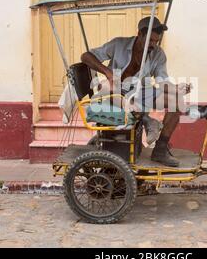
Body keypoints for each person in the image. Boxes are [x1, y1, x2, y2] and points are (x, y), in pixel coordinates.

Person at [81, 17, 190, 167]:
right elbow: (85, 56)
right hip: (117, 92)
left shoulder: (158, 54)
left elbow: (162, 81)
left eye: (156, 41)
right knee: (106, 87)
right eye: (150, 40)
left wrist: (176, 88)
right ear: (139, 34)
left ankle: (160, 149)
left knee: (177, 101)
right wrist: (107, 72)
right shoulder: (118, 44)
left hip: (141, 92)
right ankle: (145, 118)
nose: (153, 45)